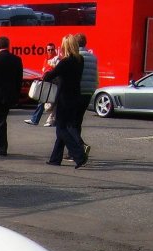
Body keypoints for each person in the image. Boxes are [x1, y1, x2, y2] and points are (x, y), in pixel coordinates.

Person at [43, 35, 88, 168]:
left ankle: (79, 155)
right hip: (75, 96)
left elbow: (51, 75)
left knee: (61, 128)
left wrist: (46, 74)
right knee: (62, 128)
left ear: (65, 46)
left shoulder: (65, 62)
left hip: (64, 98)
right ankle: (55, 158)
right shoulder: (80, 60)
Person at [75, 32, 97, 156]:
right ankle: (76, 148)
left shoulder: (77, 56)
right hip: (89, 91)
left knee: (72, 122)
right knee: (78, 121)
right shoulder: (93, 57)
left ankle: (79, 147)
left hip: (78, 91)